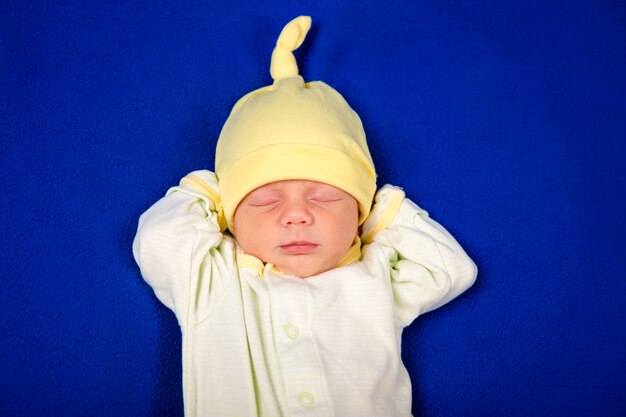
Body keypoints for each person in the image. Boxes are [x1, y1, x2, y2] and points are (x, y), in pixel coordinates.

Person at [133, 15, 477, 417]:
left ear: (359, 213)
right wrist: (210, 189)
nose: (296, 215)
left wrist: (384, 210)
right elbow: (160, 239)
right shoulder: (213, 280)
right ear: (229, 214)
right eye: (263, 200)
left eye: (326, 197)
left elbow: (452, 270)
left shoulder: (375, 277)